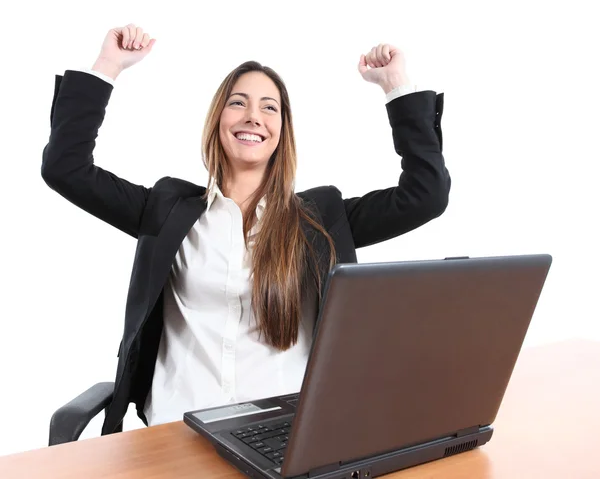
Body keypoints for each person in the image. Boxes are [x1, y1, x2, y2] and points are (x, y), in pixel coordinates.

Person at [41, 23, 450, 434]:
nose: (253, 116)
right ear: (218, 119)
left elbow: (426, 195)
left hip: (284, 438)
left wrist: (395, 84)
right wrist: (108, 65)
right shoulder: (167, 209)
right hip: (177, 432)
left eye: (269, 107)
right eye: (238, 103)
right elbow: (66, 168)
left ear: (281, 131)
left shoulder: (320, 219)